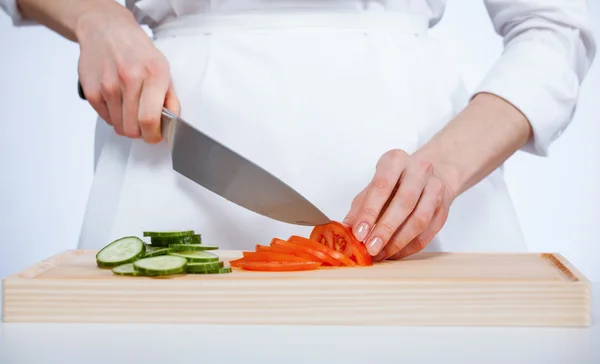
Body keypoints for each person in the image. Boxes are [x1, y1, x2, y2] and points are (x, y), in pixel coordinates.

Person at [1, 0, 595, 262]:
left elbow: (555, 24)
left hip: (421, 164)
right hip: (170, 141)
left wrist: (445, 169)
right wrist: (96, 16)